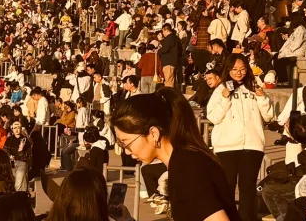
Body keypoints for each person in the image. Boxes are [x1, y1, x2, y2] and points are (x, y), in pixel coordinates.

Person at [111, 88, 238, 221]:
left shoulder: (186, 169)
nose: (126, 151)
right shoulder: (185, 159)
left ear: (154, 134)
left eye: (126, 143)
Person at [205, 55, 276, 221]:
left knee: (248, 188)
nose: (239, 73)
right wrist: (224, 98)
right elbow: (214, 117)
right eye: (235, 69)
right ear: (228, 70)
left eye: (243, 69)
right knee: (227, 187)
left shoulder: (254, 86)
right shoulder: (220, 89)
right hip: (227, 146)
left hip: (252, 145)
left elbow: (269, 116)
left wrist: (261, 98)